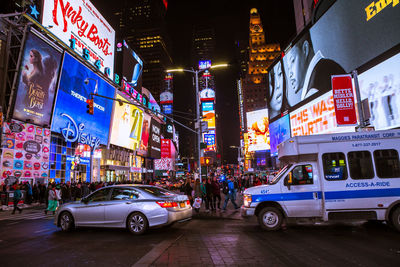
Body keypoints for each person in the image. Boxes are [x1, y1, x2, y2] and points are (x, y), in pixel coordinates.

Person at [283, 32, 345, 107]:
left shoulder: (317, 84)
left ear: (305, 49)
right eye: (288, 68)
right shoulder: (327, 66)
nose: (290, 74)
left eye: (292, 61)